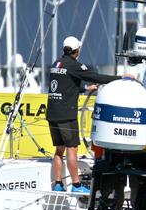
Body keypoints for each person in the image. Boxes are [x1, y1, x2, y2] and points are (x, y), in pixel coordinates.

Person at [46, 35, 123, 193]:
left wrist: (85, 89)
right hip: (66, 115)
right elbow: (96, 77)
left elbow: (65, 84)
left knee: (59, 150)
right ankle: (76, 185)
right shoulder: (74, 65)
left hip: (52, 113)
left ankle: (58, 184)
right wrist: (120, 78)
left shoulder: (56, 64)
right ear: (77, 50)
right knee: (72, 149)